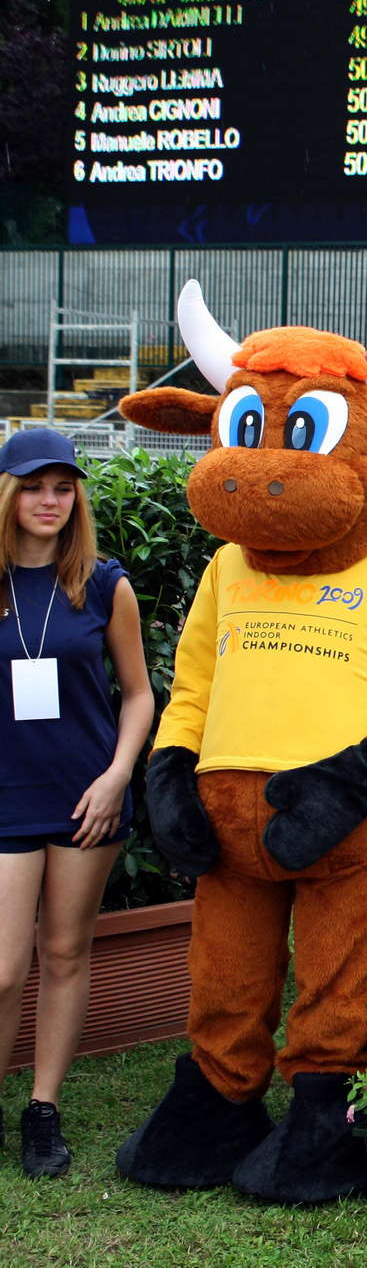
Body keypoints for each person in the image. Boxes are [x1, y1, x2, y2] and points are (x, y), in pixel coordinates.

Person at [0, 428, 154, 1177]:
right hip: (7, 796)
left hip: (85, 797)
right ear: (7, 495)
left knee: (65, 952)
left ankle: (43, 1108)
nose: (49, 501)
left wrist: (119, 774)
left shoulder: (102, 584)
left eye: (63, 488)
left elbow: (139, 693)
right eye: (33, 487)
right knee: (3, 969)